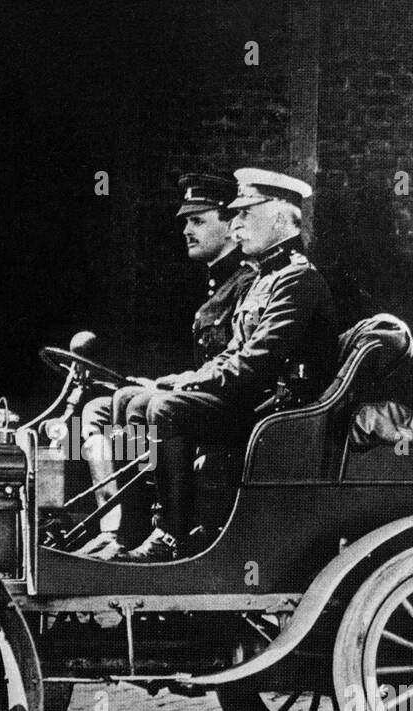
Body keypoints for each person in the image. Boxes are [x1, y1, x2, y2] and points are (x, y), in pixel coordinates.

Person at [120, 167, 339, 562]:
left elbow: (257, 363)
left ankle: (173, 534)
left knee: (165, 409)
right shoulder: (265, 278)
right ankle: (136, 527)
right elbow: (235, 352)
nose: (235, 224)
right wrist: (186, 377)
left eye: (244, 214)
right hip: (253, 407)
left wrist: (187, 385)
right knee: (137, 403)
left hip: (281, 416)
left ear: (277, 216)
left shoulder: (298, 281)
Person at [74, 173, 255, 560]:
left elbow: (237, 364)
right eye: (186, 221)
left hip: (231, 411)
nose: (186, 230)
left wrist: (171, 387)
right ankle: (119, 526)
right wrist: (161, 383)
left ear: (230, 225)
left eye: (198, 220)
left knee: (152, 406)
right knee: (101, 409)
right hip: (204, 399)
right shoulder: (217, 285)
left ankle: (167, 531)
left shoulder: (247, 283)